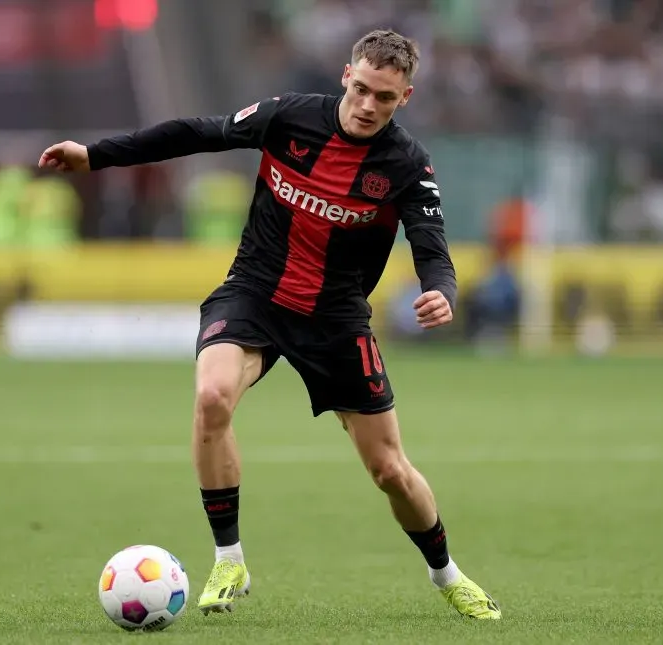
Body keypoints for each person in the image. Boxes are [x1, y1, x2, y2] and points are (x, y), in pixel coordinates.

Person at [38, 29, 501, 621]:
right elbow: (197, 133)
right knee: (211, 397)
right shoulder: (288, 118)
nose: (367, 105)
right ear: (345, 76)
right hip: (254, 293)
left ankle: (447, 575)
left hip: (335, 318)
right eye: (361, 89)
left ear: (404, 98)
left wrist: (441, 289)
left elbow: (430, 242)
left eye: (384, 98)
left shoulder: (406, 163)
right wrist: (97, 154)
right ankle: (229, 559)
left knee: (389, 469)